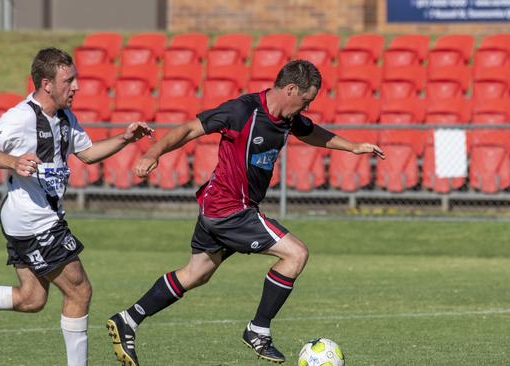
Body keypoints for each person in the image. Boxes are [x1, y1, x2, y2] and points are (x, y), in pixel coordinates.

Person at [106, 60, 385, 365]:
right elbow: (189, 129)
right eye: (306, 100)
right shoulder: (242, 111)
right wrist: (152, 152)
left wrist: (354, 147)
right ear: (291, 89)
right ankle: (258, 330)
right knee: (296, 254)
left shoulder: (289, 119)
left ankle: (128, 319)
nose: (307, 107)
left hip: (219, 208)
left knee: (196, 274)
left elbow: (312, 132)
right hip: (230, 210)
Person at [0, 47, 153, 366]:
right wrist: (13, 161)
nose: (77, 87)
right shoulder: (22, 116)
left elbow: (88, 153)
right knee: (79, 291)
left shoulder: (66, 117)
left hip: (35, 217)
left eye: (76, 79)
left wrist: (124, 139)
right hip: (33, 219)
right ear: (46, 84)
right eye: (69, 80)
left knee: (32, 299)